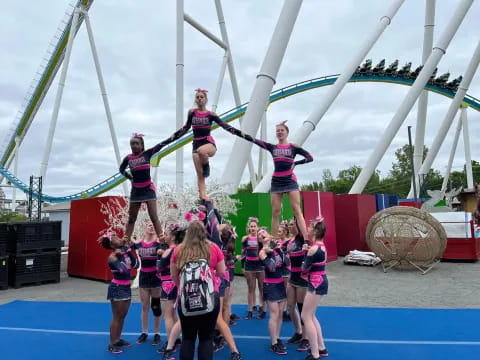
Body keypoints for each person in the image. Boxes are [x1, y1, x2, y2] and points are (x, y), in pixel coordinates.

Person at [221, 120, 313, 240]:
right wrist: (235, 131)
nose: (279, 132)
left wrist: (296, 163)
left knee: (296, 209)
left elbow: (310, 158)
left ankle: (306, 239)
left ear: (287, 133)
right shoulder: (272, 147)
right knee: (275, 212)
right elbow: (253, 139)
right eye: (277, 131)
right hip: (277, 182)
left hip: (290, 181)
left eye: (282, 130)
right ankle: (274, 240)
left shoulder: (293, 147)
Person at [174, 89, 251, 200]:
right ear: (195, 100)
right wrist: (174, 137)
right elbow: (186, 127)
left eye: (202, 97)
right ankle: (203, 196)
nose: (199, 99)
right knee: (200, 175)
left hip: (208, 143)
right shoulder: (192, 113)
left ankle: (206, 165)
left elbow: (225, 126)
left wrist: (240, 133)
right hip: (196, 143)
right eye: (197, 97)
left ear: (206, 100)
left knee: (202, 151)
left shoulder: (211, 114)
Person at [171, 220, 226, 360]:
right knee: (206, 339)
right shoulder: (213, 248)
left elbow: (174, 276)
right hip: (209, 297)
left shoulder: (179, 250)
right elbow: (221, 272)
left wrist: (183, 289)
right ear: (204, 232)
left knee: (188, 338)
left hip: (187, 299)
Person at [119, 130, 184, 242]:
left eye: (136, 143)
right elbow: (121, 169)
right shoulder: (128, 158)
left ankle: (161, 238)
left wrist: (178, 134)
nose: (134, 146)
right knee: (131, 218)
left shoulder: (147, 154)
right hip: (136, 191)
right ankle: (126, 239)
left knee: (154, 216)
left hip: (148, 190)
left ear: (142, 145)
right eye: (132, 144)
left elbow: (163, 144)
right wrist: (130, 178)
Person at [100, 232, 139, 354]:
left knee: (123, 315)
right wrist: (122, 254)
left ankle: (117, 339)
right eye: (115, 237)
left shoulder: (124, 251)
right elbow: (124, 271)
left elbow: (136, 265)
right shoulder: (112, 257)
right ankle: (112, 343)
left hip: (126, 287)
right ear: (112, 244)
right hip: (117, 288)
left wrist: (128, 251)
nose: (118, 237)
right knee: (117, 316)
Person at [301, 216, 329, 359]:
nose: (308, 228)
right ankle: (321, 347)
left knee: (305, 316)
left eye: (310, 227)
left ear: (316, 231)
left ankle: (315, 353)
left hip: (316, 282)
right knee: (311, 315)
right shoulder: (321, 246)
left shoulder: (314, 249)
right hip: (320, 280)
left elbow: (304, 269)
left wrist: (305, 253)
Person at [131, 223, 163, 345]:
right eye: (148, 225)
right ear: (145, 228)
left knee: (155, 306)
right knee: (145, 307)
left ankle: (157, 333)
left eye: (152, 225)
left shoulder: (159, 243)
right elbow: (126, 245)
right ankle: (144, 332)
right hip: (144, 277)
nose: (150, 226)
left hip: (155, 277)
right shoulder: (138, 244)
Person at [157, 223, 186, 357]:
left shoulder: (170, 251)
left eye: (167, 234)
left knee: (168, 316)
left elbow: (160, 267)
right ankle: (177, 338)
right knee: (173, 314)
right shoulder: (180, 249)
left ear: (173, 237)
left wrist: (160, 256)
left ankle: (171, 342)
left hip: (167, 284)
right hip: (176, 283)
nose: (164, 236)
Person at [258, 228, 289, 355]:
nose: (261, 235)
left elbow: (286, 263)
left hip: (280, 283)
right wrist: (270, 252)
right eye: (259, 235)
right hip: (270, 285)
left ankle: (277, 337)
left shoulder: (276, 247)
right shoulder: (261, 252)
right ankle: (274, 343)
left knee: (281, 314)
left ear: (269, 235)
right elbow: (271, 267)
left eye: (263, 232)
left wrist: (280, 250)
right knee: (274, 314)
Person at [286, 218, 310, 352]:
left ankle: (306, 338)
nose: (290, 226)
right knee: (290, 306)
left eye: (292, 224)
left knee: (302, 309)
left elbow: (301, 222)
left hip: (302, 278)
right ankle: (298, 331)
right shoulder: (289, 240)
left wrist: (297, 213)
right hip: (292, 277)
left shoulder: (302, 238)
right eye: (289, 224)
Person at [241, 217, 266, 319]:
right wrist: (242, 266)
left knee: (262, 287)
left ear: (257, 227)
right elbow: (243, 254)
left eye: (254, 226)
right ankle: (250, 310)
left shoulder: (261, 238)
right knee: (251, 288)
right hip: (249, 267)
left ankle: (263, 309)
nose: (253, 228)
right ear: (248, 228)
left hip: (260, 266)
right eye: (251, 226)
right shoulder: (245, 239)